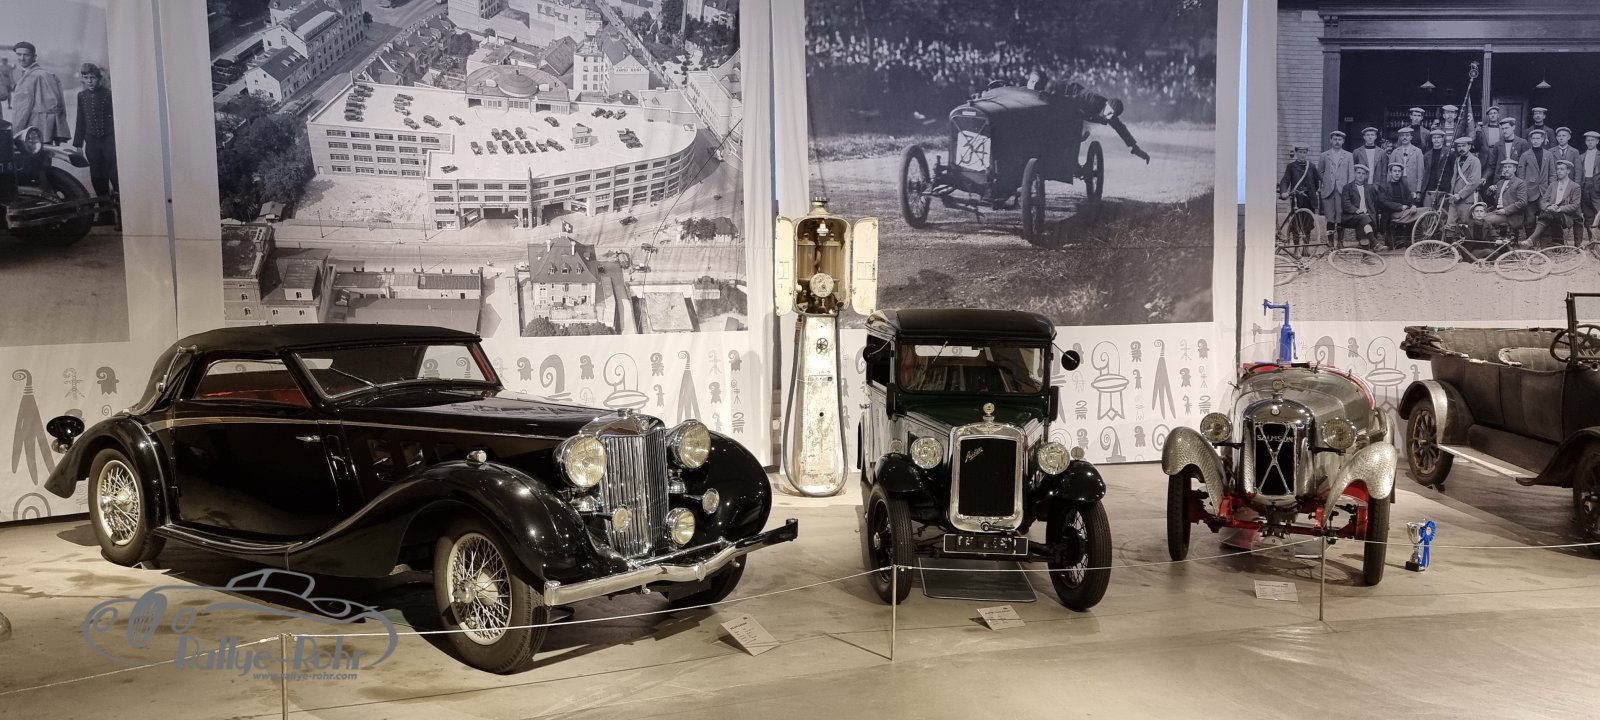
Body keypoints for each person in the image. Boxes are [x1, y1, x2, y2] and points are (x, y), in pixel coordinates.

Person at [73, 63, 117, 207]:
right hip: (92, 142)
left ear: (99, 78)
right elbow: (80, 121)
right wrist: (78, 145)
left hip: (109, 141)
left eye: (93, 77)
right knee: (97, 177)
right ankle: (105, 210)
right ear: (83, 79)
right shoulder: (81, 96)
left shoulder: (109, 94)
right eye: (86, 78)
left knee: (114, 174)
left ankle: (120, 210)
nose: (90, 81)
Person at [9, 41, 68, 143]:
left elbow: (22, 110)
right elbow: (60, 106)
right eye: (19, 54)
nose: (22, 58)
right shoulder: (46, 74)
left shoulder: (33, 76)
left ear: (34, 56)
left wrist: (15, 134)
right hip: (45, 132)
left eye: (26, 55)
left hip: (31, 132)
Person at [1528, 160, 1581, 248]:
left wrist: (1560, 209)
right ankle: (1547, 249)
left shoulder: (1575, 186)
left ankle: (1532, 239)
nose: (1559, 171)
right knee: (1548, 216)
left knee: (1546, 216)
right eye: (1558, 169)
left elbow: (1575, 205)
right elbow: (1543, 201)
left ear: (1568, 171)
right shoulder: (1553, 185)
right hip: (1550, 213)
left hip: (1565, 216)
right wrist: (1549, 207)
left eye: (1562, 169)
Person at [1376, 161, 1420, 249]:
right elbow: (1383, 202)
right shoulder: (1383, 186)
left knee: (1416, 212)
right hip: (1390, 213)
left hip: (1404, 211)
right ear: (1390, 172)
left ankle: (1409, 241)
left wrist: (1413, 205)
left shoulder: (1403, 185)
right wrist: (1400, 207)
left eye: (1399, 171)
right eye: (1395, 171)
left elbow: (1409, 198)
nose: (1397, 173)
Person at [1482, 158, 1529, 239]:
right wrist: (1490, 190)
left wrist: (1505, 210)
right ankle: (1486, 241)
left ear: (1515, 169)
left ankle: (1494, 240)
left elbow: (1522, 203)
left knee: (1485, 221)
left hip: (1511, 215)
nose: (1506, 169)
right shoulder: (1500, 182)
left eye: (1509, 167)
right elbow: (1488, 198)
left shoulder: (1520, 183)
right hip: (1497, 211)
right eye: (1505, 167)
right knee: (1478, 219)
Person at [1317, 129, 1353, 230]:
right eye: (1335, 139)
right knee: (1330, 217)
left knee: (1341, 216)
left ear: (1343, 141)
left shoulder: (1349, 155)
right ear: (1331, 141)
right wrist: (1327, 182)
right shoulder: (1324, 155)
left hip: (1342, 191)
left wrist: (1348, 190)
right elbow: (1320, 172)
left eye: (1339, 139)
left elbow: (1351, 174)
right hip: (1328, 191)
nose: (1337, 141)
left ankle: (1340, 239)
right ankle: (1330, 239)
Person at [1519, 128, 1556, 222]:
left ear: (1542, 139)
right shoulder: (1525, 155)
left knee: (1545, 216)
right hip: (1529, 191)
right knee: (1530, 218)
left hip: (1544, 191)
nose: (1535, 141)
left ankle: (1543, 232)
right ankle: (1529, 232)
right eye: (1533, 138)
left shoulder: (1548, 155)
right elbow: (1521, 175)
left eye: (1538, 138)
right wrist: (1524, 190)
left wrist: (1551, 189)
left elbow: (1552, 174)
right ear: (1530, 140)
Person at [1340, 163, 1380, 248]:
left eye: (1363, 173)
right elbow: (1345, 204)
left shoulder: (1370, 188)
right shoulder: (1347, 187)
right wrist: (1356, 210)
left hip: (1366, 217)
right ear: (1354, 173)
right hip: (1350, 217)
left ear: (1366, 176)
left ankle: (1365, 247)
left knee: (1363, 220)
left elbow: (1374, 203)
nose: (1360, 175)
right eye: (1358, 173)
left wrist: (1371, 213)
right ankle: (1374, 243)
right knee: (1363, 218)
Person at [1448, 136, 1483, 225]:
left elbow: (1474, 182)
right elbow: (1454, 179)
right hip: (1454, 198)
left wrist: (1460, 195)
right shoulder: (1457, 160)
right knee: (1450, 224)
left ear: (1469, 146)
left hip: (1467, 199)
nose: (1461, 148)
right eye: (1459, 146)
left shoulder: (1475, 161)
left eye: (1464, 146)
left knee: (1466, 225)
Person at [1277, 145, 1320, 214]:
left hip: (1310, 198)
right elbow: (1285, 180)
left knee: (1310, 218)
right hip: (1297, 197)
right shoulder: (1291, 166)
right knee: (1296, 217)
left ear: (1306, 153)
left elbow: (1316, 182)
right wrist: (1283, 192)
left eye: (1304, 152)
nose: (1302, 155)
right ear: (1296, 153)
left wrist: (1311, 191)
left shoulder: (1312, 166)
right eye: (1300, 152)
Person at [1390, 126, 1425, 202]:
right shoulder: (1395, 152)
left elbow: (1420, 173)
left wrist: (1418, 190)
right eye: (1402, 136)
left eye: (1407, 135)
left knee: (1413, 205)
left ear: (1411, 137)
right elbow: (1390, 172)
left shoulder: (1417, 152)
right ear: (1400, 138)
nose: (1404, 137)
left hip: (1413, 186)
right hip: (1399, 184)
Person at [1422, 129, 1453, 205]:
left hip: (1444, 189)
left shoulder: (1449, 153)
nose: (1436, 140)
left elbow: (1453, 171)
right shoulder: (1426, 155)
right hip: (1430, 189)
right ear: (1431, 139)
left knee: (1442, 211)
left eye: (1438, 137)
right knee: (1427, 210)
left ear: (1442, 139)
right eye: (1434, 137)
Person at [1582, 131, 1600, 231]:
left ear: (1597, 141)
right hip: (1585, 186)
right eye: (1588, 140)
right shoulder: (1581, 156)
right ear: (1585, 142)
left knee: (1599, 211)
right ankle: (1591, 239)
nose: (1590, 142)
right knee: (1588, 214)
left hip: (1597, 187)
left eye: (1592, 140)